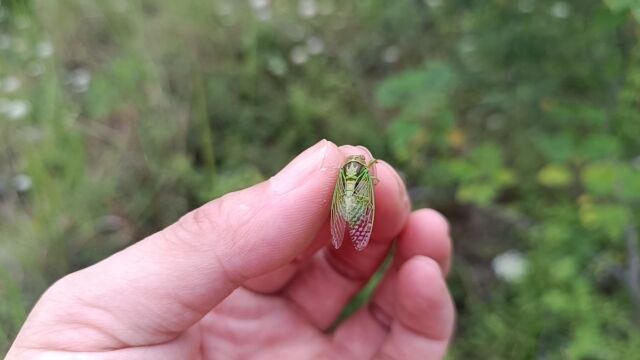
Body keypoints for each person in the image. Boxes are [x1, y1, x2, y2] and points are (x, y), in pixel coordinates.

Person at [6, 141, 454, 359]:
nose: (357, 168)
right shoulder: (360, 176)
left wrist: (354, 190)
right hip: (349, 207)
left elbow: (358, 194)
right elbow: (360, 188)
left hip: (352, 208)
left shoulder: (353, 178)